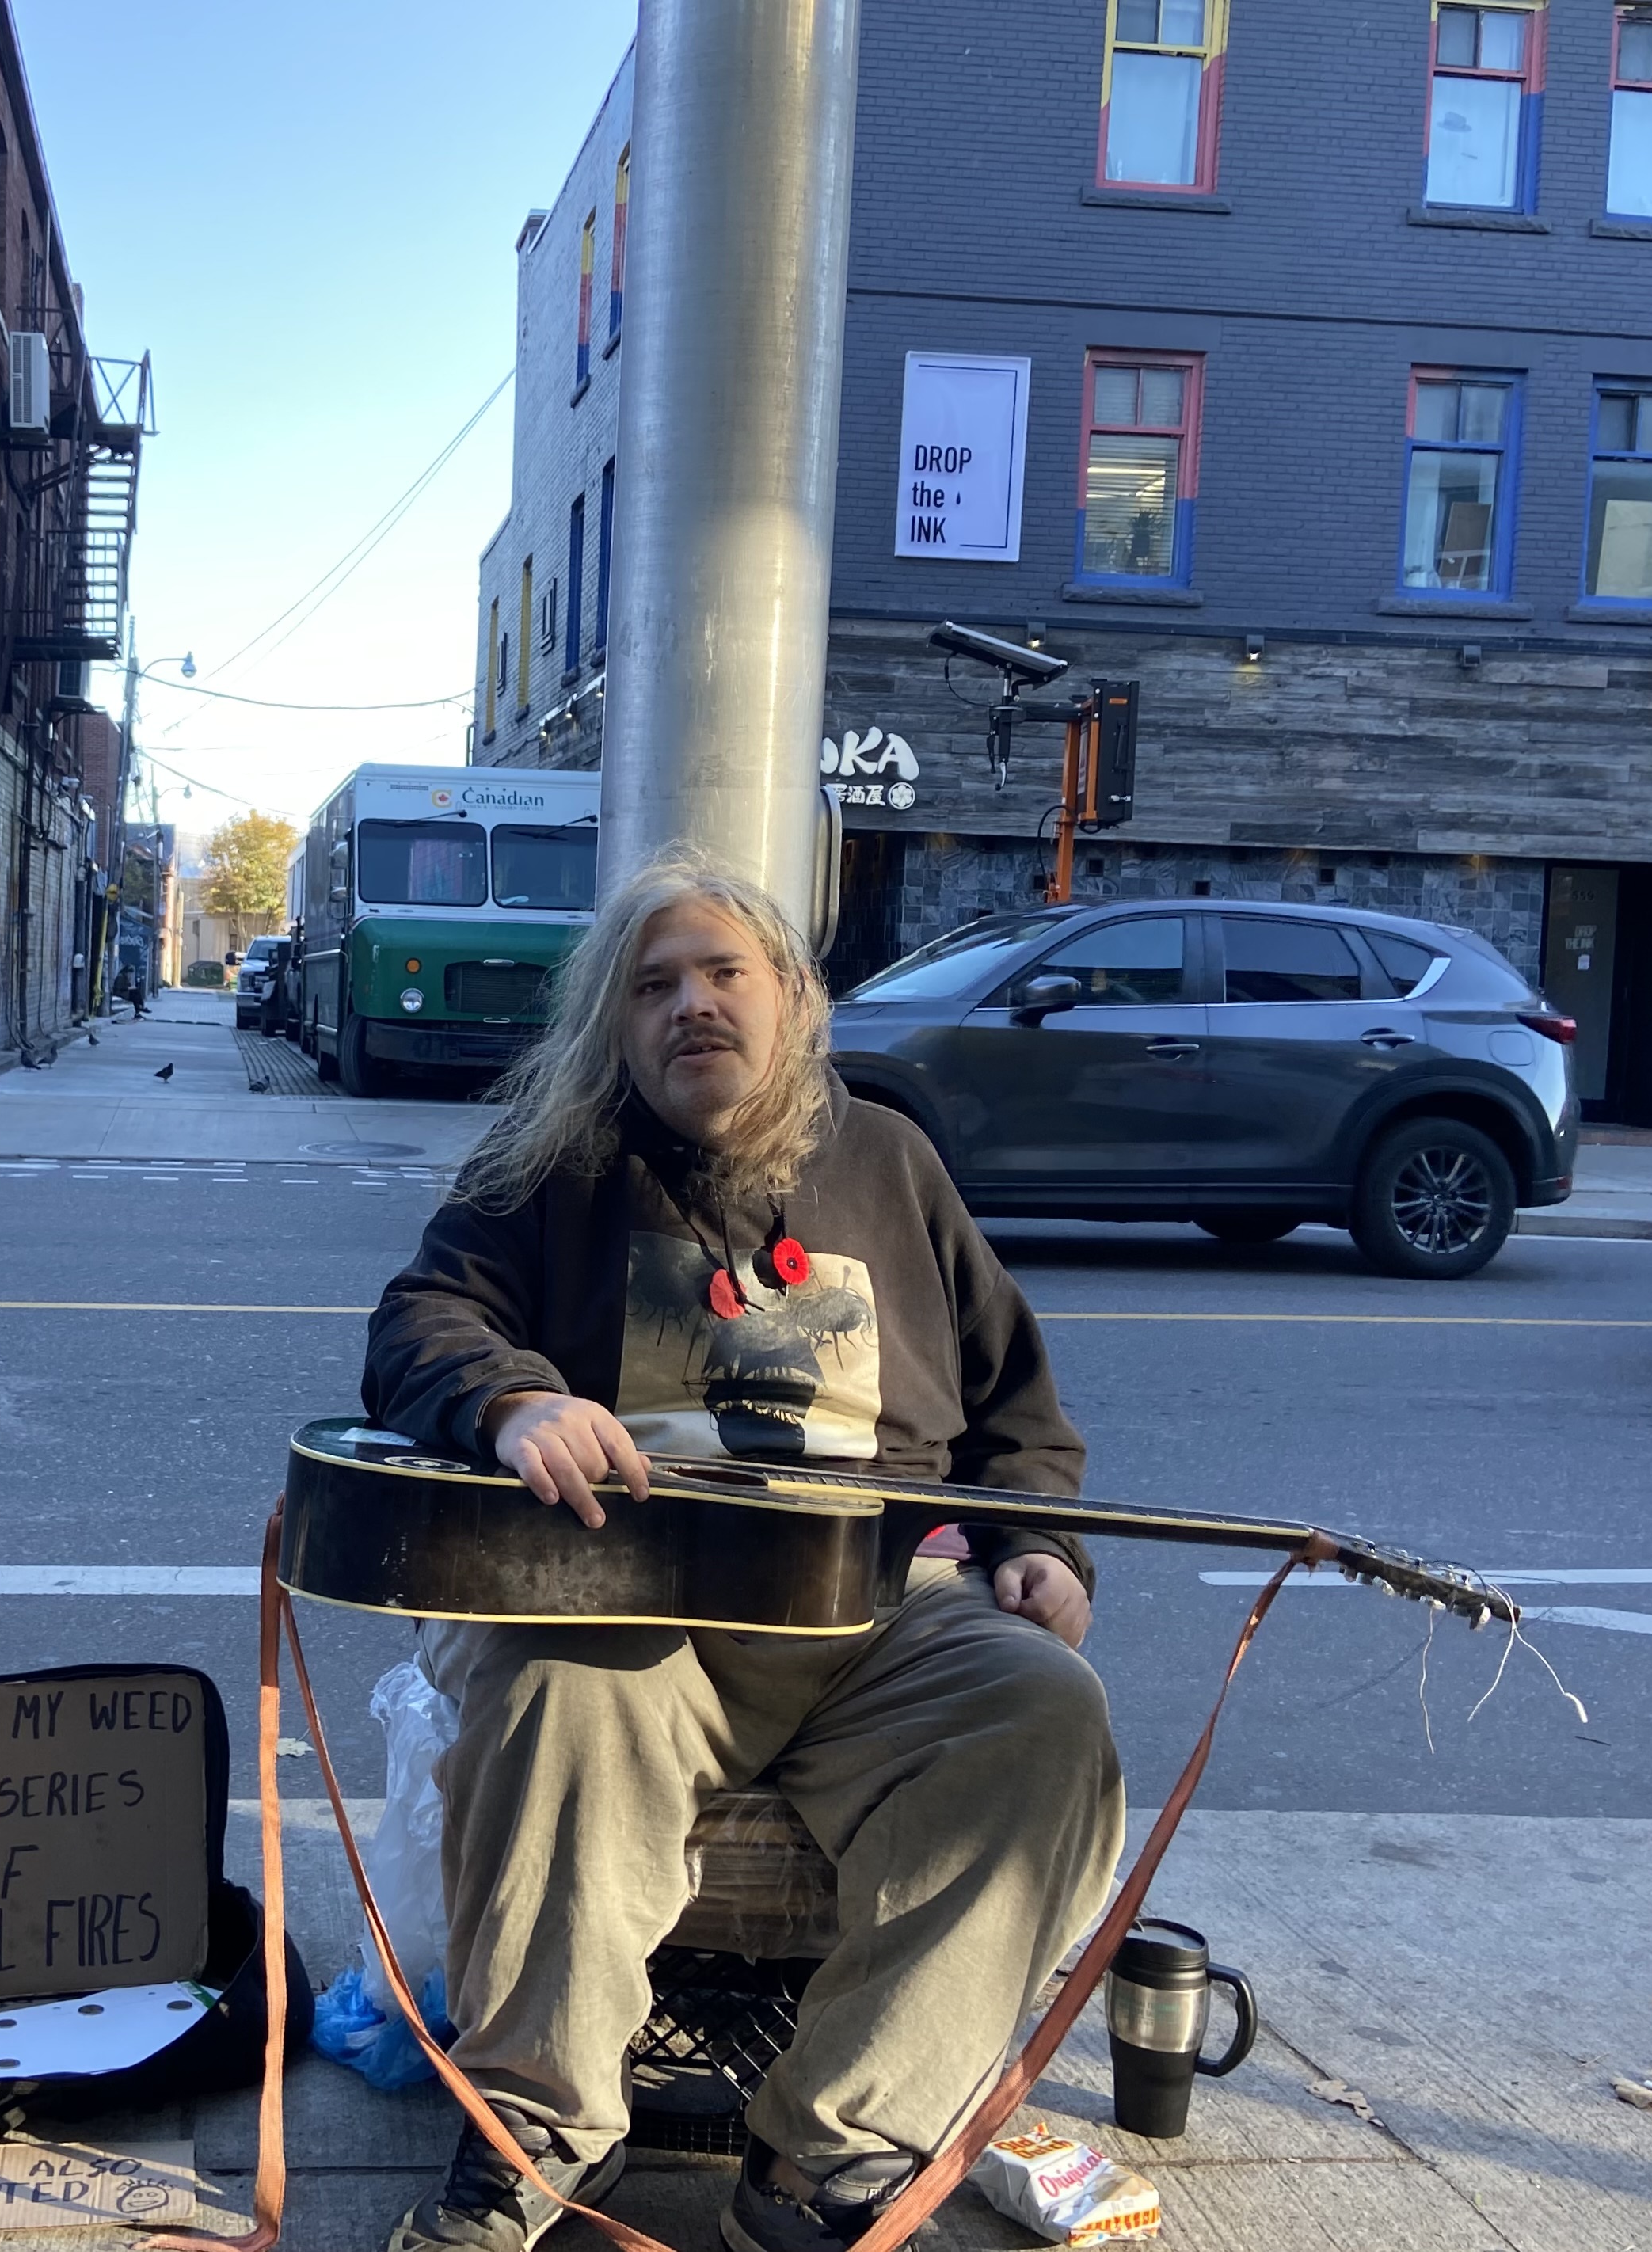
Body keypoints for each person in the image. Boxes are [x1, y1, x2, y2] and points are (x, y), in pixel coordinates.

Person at [362, 849, 1122, 2252]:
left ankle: (830, 2151)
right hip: (628, 1606)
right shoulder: (548, 1164)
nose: (690, 1005)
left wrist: (1038, 1539)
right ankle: (536, 2131)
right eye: (652, 986)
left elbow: (1015, 1398)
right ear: (614, 1021)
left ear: (790, 995)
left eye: (723, 972)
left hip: (877, 1608)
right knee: (551, 1695)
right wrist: (514, 1399)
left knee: (1043, 1711)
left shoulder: (890, 1157)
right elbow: (420, 1327)